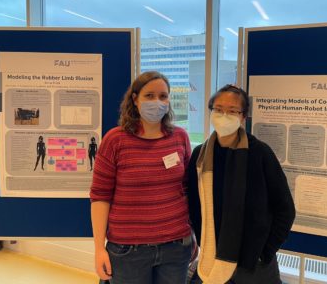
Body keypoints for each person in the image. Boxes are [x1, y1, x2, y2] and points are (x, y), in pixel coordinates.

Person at [90, 71, 192, 284]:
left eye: (163, 96)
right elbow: (100, 197)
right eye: (149, 96)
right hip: (128, 251)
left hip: (175, 247)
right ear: (135, 99)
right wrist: (99, 248)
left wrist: (193, 236)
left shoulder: (180, 137)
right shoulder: (115, 140)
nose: (157, 102)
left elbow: (188, 190)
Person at [187, 84, 295, 284]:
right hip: (212, 255)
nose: (223, 115)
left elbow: (285, 208)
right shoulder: (200, 156)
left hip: (254, 263)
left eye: (232, 111)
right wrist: (203, 240)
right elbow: (194, 205)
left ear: (243, 117)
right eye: (218, 109)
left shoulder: (260, 153)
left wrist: (265, 251)